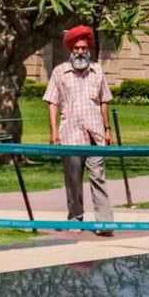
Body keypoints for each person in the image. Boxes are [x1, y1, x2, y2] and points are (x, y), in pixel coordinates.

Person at [44, 25, 115, 236]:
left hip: (96, 135)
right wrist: (54, 133)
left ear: (89, 49)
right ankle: (75, 218)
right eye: (76, 48)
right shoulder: (60, 72)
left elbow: (104, 101)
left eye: (83, 48)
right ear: (70, 50)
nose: (80, 52)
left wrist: (108, 129)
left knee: (98, 178)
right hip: (71, 134)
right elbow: (52, 103)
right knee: (73, 181)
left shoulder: (97, 71)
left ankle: (104, 223)